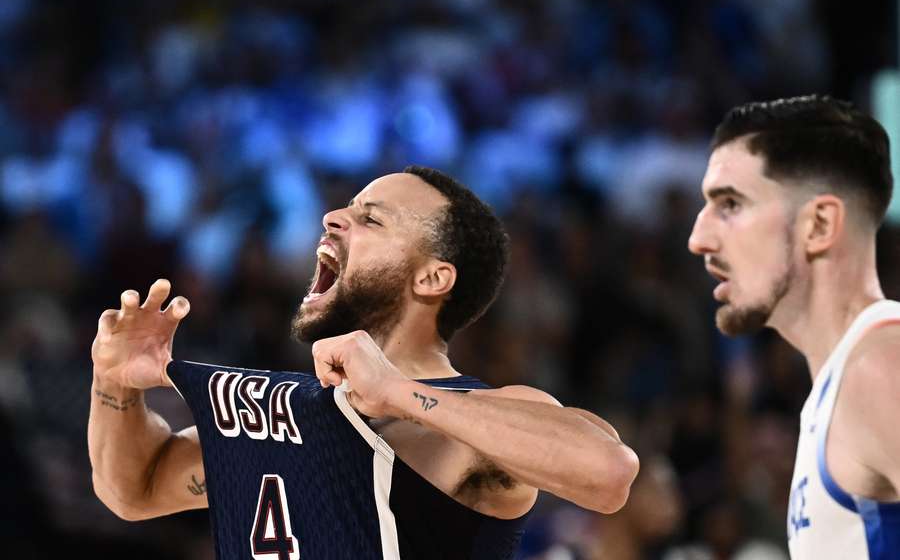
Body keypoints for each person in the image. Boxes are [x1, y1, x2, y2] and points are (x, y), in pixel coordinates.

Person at [89, 165, 639, 559]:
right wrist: (114, 385)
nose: (330, 218)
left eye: (371, 220)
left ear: (431, 278)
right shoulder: (280, 423)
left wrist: (398, 394)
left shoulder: (473, 422)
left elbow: (609, 473)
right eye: (343, 209)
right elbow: (131, 490)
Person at [687, 95, 900, 559]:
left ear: (819, 224)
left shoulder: (883, 367)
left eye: (730, 204)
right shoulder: (844, 379)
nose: (698, 238)